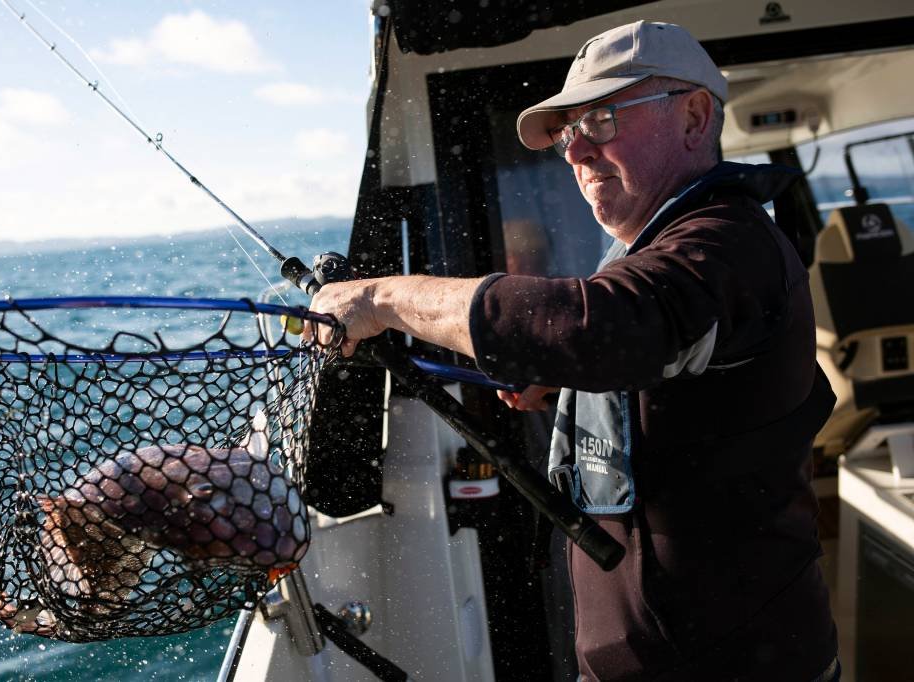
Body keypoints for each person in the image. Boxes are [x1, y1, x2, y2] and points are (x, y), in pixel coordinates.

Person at [310, 20, 839, 682]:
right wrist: (572, 388)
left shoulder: (726, 242)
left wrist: (381, 300)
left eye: (603, 118)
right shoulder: (655, 243)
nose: (575, 151)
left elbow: (600, 326)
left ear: (695, 117)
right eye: (567, 134)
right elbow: (663, 372)